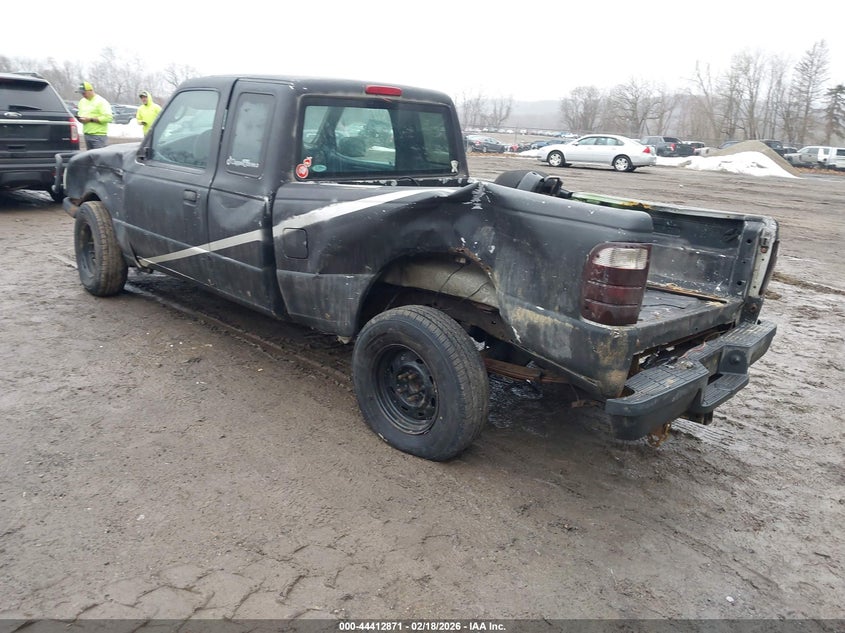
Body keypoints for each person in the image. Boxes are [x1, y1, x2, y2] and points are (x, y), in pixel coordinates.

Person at [76, 81, 113, 149]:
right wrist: (81, 119)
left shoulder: (101, 101)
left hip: (98, 135)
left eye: (84, 93)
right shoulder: (82, 101)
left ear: (90, 90)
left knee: (99, 158)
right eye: (81, 93)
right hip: (87, 134)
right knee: (90, 158)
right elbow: (81, 114)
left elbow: (108, 118)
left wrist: (90, 119)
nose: (83, 95)